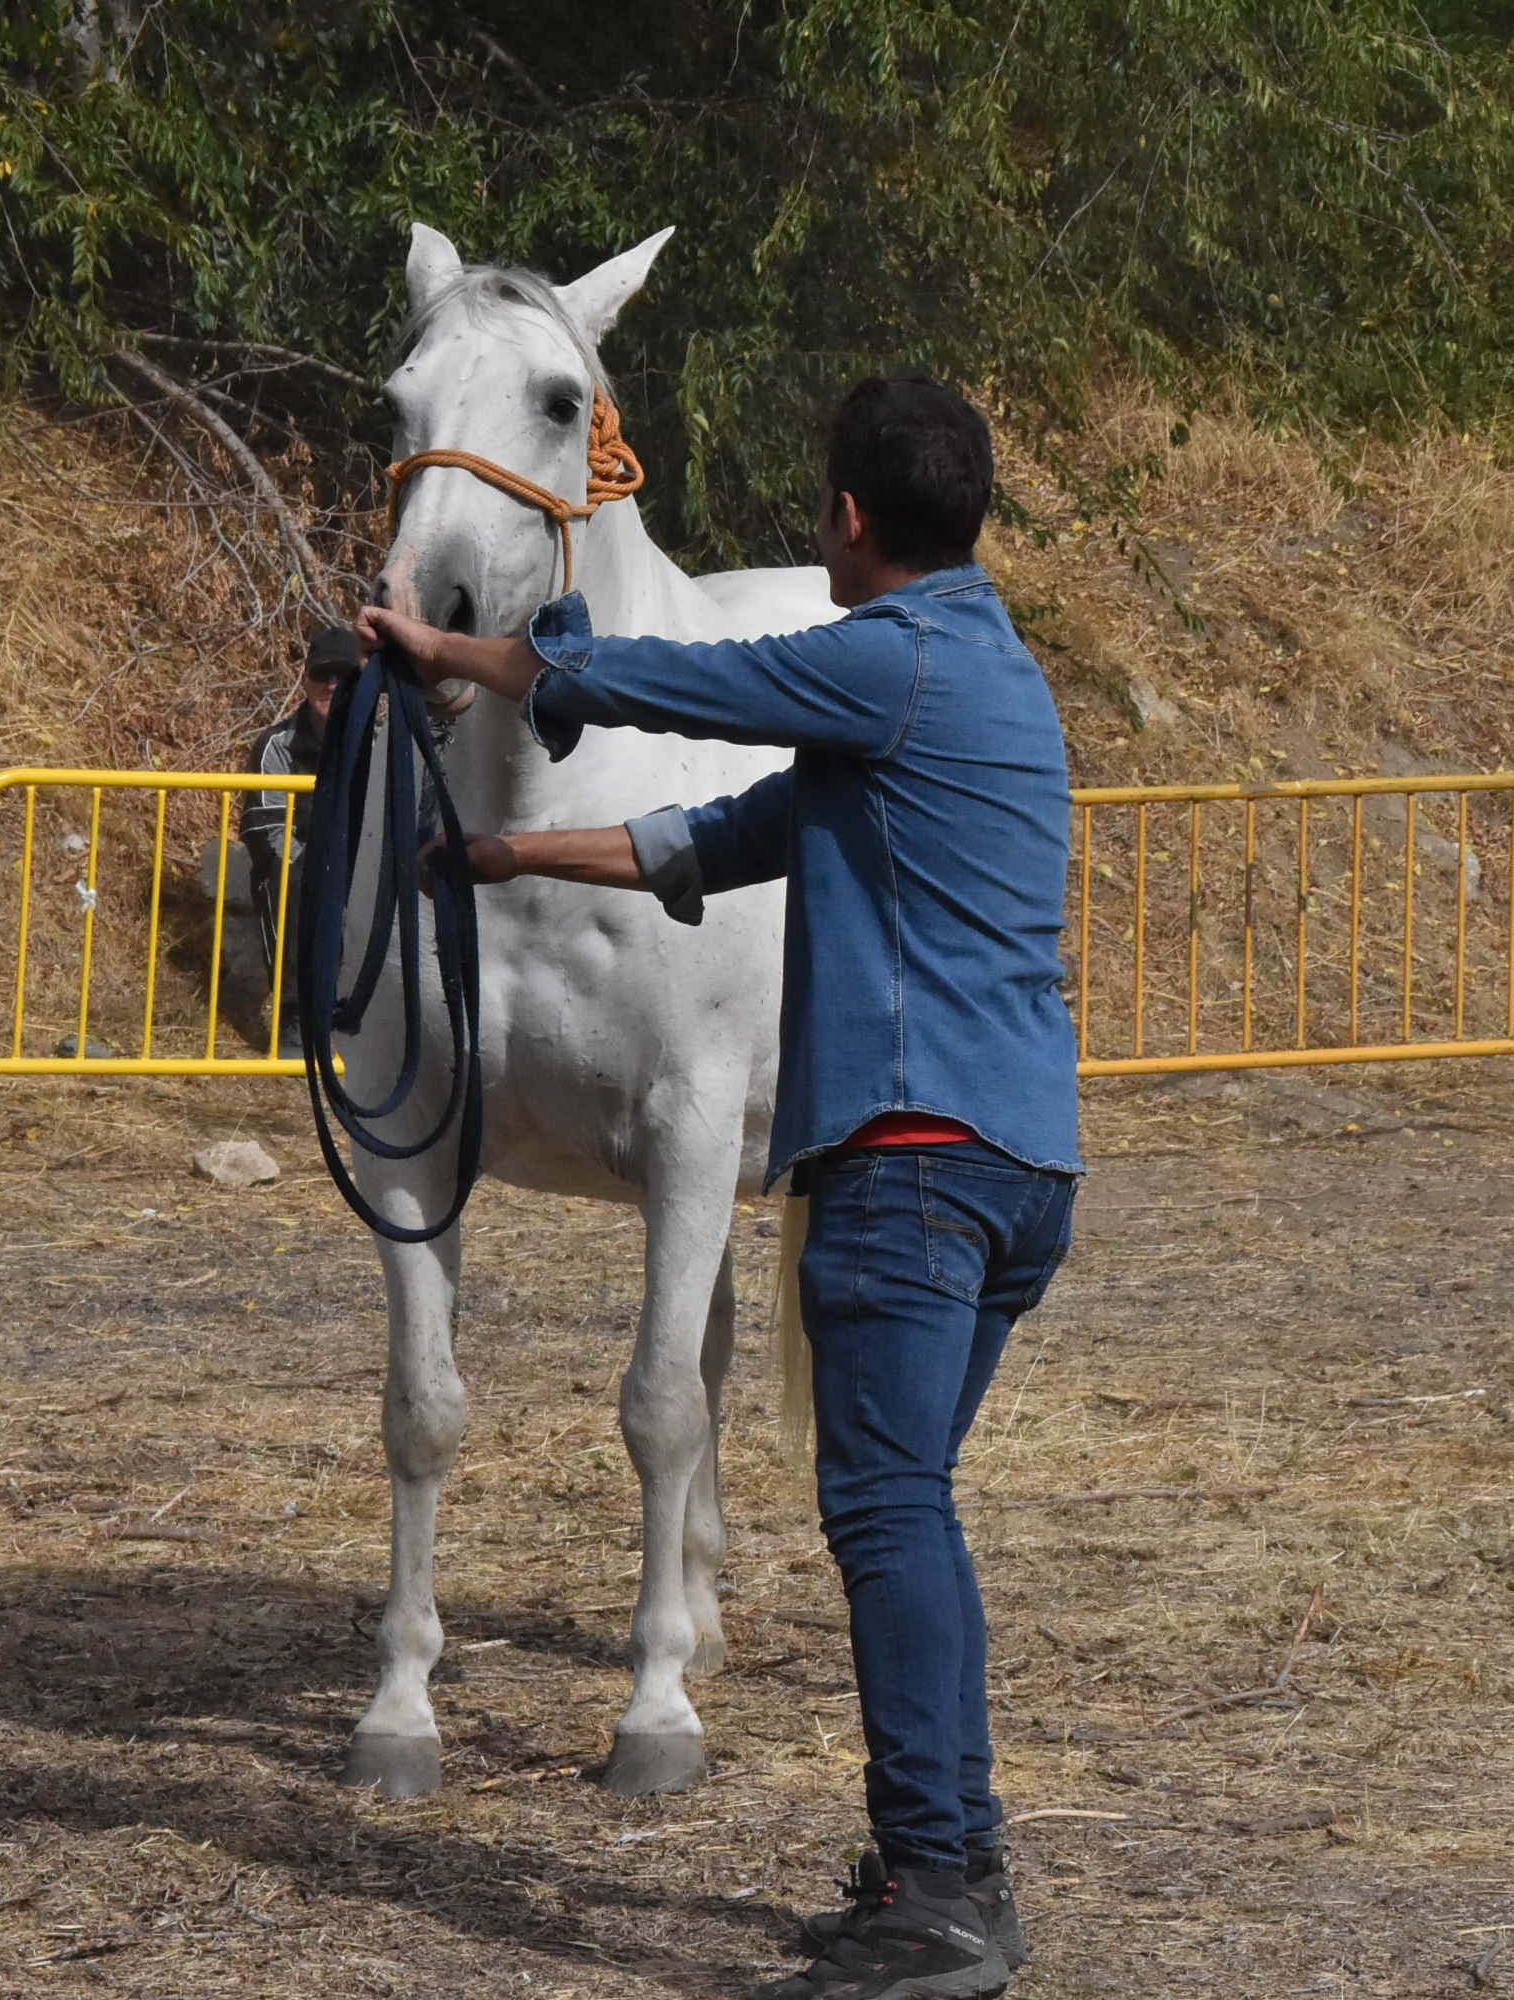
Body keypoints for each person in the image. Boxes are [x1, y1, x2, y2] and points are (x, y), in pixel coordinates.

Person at [357, 374, 1081, 2000]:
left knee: (884, 1516)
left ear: (843, 522)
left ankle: (941, 1896)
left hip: (906, 1161)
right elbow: (716, 836)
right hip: (1022, 1160)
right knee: (916, 1515)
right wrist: (509, 859)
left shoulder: (880, 656)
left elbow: (683, 687)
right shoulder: (984, 680)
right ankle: (941, 1860)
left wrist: (465, 656)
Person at [217, 625, 354, 1053]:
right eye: (320, 673)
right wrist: (318, 867)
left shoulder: (382, 741)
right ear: (305, 679)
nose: (330, 683)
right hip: (301, 862)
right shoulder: (276, 745)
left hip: (365, 860)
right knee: (289, 878)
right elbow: (265, 829)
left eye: (341, 673)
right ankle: (296, 1013)